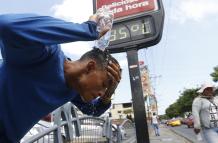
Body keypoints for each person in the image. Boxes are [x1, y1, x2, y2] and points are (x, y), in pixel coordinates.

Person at [0, 13, 121, 142]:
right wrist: (88, 30)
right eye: (103, 84)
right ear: (90, 67)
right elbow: (6, 24)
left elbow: (93, 110)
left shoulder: (73, 89)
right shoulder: (45, 55)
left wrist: (109, 93)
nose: (101, 93)